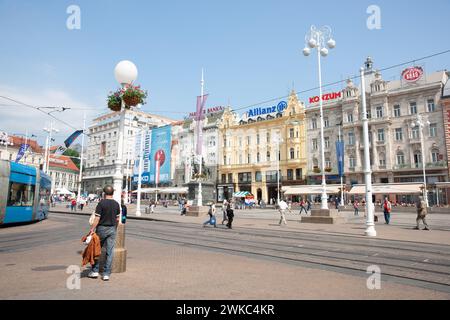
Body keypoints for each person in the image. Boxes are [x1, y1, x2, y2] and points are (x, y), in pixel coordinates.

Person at [88, 185, 120, 281]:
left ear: (104, 193)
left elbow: (97, 218)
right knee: (110, 252)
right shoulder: (116, 204)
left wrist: (92, 229)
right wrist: (115, 227)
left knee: (97, 249)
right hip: (112, 229)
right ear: (113, 193)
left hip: (101, 228)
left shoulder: (101, 203)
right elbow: (117, 218)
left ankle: (95, 271)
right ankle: (106, 274)